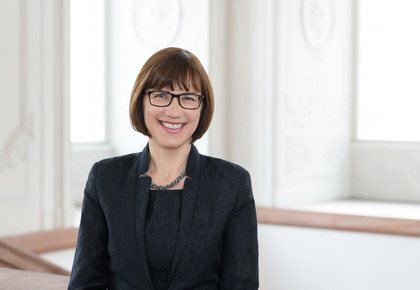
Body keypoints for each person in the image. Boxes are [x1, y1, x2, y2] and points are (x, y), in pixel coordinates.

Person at [68, 47, 259, 290]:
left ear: (202, 108)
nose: (173, 110)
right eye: (160, 95)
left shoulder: (232, 184)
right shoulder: (105, 179)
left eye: (188, 98)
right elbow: (86, 283)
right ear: (142, 100)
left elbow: (240, 286)